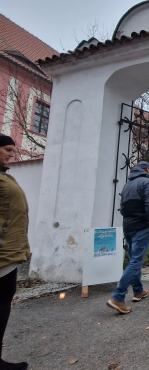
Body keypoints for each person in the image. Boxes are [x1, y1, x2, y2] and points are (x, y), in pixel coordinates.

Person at [107, 161, 149, 314]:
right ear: (147, 169)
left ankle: (138, 290)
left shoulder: (127, 185)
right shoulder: (147, 182)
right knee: (136, 260)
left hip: (128, 225)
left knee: (132, 258)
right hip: (142, 225)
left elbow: (122, 207)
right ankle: (118, 296)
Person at [0, 134, 29, 370]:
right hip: (3, 252)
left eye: (13, 149)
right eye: (7, 149)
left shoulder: (4, 176)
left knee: (3, 302)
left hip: (9, 252)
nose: (13, 153)